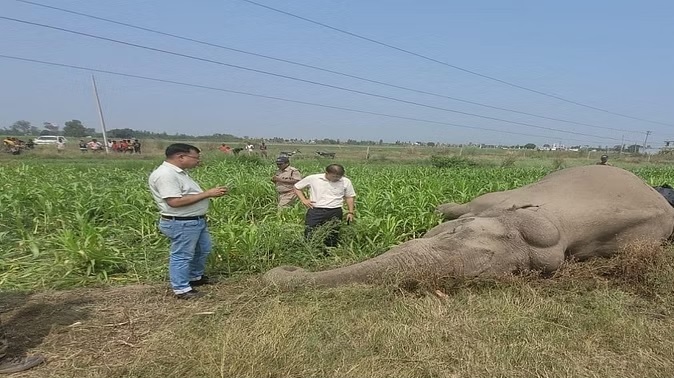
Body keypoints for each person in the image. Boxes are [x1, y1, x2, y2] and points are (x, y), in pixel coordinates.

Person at [148, 143, 229, 299]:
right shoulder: (166, 175)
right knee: (182, 255)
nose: (198, 161)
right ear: (181, 157)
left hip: (194, 220)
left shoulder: (179, 173)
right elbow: (174, 202)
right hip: (181, 222)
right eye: (195, 158)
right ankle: (181, 288)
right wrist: (207, 194)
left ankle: (194, 277)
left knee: (203, 249)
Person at [293, 164, 356, 247]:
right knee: (310, 232)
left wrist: (350, 212)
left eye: (339, 177)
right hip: (316, 211)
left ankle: (329, 253)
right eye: (334, 176)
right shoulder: (314, 178)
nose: (336, 179)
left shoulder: (345, 181)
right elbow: (297, 187)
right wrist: (304, 200)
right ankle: (310, 250)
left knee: (332, 233)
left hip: (335, 211)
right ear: (326, 173)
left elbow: (349, 197)